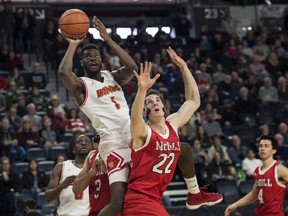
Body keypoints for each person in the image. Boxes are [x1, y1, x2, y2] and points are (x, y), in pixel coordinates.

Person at [122, 48, 222, 216]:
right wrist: (142, 91)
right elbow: (135, 119)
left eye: (157, 100)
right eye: (149, 102)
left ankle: (195, 194)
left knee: (184, 149)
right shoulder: (143, 133)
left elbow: (193, 100)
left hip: (154, 199)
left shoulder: (172, 125)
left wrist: (184, 68)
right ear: (145, 111)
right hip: (138, 199)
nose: (154, 103)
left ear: (163, 106)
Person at [58, 15, 137, 215]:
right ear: (82, 62)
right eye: (87, 56)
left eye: (95, 55)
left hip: (133, 136)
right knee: (118, 200)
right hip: (111, 142)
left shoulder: (113, 77)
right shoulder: (82, 86)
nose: (92, 58)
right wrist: (73, 45)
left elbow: (133, 68)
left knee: (138, 194)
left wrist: (108, 40)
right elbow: (63, 74)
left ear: (101, 59)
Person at [224, 134, 288, 216]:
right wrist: (236, 204)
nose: (262, 148)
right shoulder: (258, 170)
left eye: (266, 146)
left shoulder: (279, 169)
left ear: (273, 151)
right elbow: (254, 194)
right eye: (260, 146)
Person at [45, 134, 92, 216]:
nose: (84, 143)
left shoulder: (96, 168)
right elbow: (48, 198)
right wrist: (61, 186)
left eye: (87, 142)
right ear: (73, 149)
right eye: (79, 142)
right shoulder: (61, 167)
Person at [72, 133, 119, 216]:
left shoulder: (118, 154)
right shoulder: (91, 155)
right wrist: (91, 172)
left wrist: (107, 170)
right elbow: (76, 189)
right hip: (94, 212)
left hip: (113, 212)